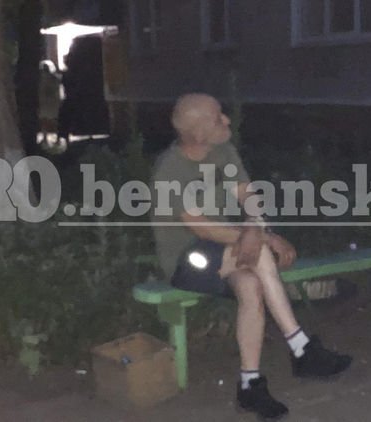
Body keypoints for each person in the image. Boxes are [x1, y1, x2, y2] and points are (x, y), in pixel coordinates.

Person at [150, 93, 352, 419]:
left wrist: (256, 226)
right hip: (187, 260)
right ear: (198, 133)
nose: (227, 120)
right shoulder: (170, 169)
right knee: (259, 254)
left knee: (251, 286)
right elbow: (200, 227)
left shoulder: (223, 151)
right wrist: (262, 236)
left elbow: (248, 195)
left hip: (225, 250)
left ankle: (250, 386)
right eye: (218, 117)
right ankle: (301, 347)